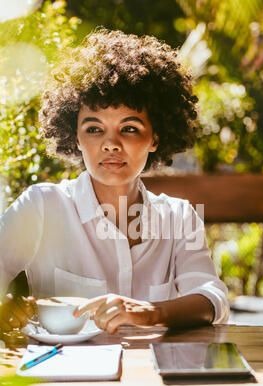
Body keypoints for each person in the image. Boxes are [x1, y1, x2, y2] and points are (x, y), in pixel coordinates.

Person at [0, 28, 229, 335]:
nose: (111, 144)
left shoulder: (179, 217)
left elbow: (211, 299)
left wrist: (149, 313)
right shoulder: (42, 207)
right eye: (94, 129)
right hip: (62, 378)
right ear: (76, 137)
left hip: (153, 379)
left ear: (155, 138)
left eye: (130, 128)